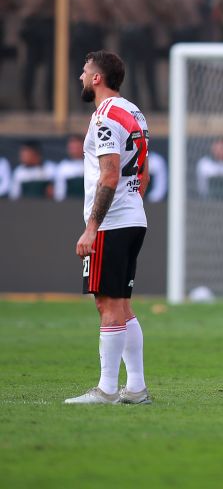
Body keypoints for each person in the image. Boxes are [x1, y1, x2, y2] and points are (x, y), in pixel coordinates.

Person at [65, 50, 151, 405]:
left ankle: (106, 390)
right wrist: (134, 202)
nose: (81, 77)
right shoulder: (134, 112)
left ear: (97, 78)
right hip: (132, 216)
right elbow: (142, 172)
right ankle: (136, 388)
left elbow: (110, 173)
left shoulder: (104, 118)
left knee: (108, 304)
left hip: (112, 222)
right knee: (122, 305)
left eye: (85, 72)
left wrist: (92, 226)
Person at [53, 134, 86, 201]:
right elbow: (59, 192)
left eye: (77, 146)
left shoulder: (92, 164)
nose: (75, 150)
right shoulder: (63, 167)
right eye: (72, 147)